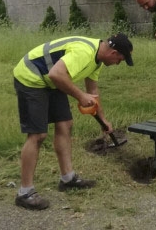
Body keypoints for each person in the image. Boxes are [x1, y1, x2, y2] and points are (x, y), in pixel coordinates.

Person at [12, 33, 134, 210]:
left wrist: (103, 119)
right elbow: (56, 74)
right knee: (38, 135)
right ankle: (25, 192)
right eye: (120, 60)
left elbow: (92, 91)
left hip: (52, 80)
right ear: (114, 53)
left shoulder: (97, 59)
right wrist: (80, 95)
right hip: (31, 77)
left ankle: (68, 179)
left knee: (65, 125)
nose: (117, 64)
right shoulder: (84, 52)